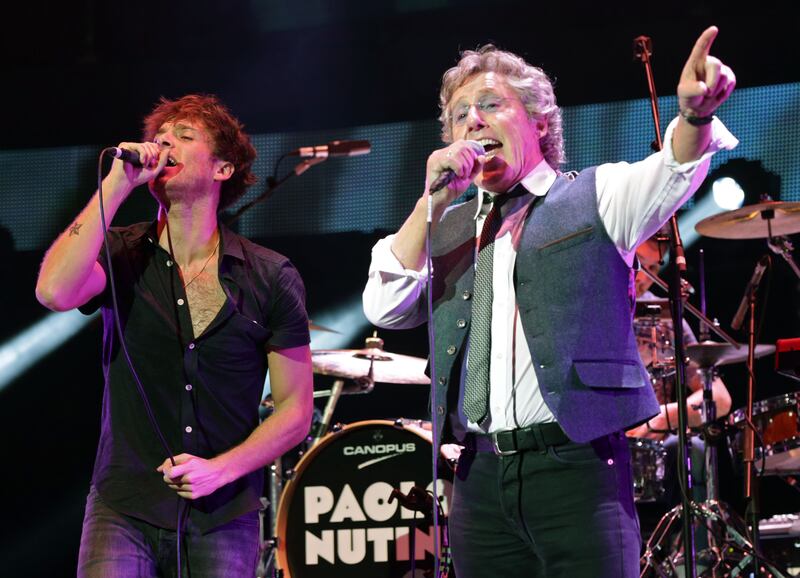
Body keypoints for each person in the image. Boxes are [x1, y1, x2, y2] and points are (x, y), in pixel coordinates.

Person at [363, 27, 737, 578]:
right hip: (477, 479)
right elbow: (385, 307)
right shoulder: (440, 226)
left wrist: (696, 118)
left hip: (577, 470)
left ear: (538, 120)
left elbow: (672, 171)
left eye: (491, 104)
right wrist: (432, 203)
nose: (474, 120)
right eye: (461, 112)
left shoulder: (595, 195)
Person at [35, 94, 314, 577]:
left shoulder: (269, 276)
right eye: (159, 137)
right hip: (124, 506)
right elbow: (55, 292)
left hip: (224, 515)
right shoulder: (123, 251)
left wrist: (220, 470)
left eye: (184, 137)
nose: (164, 143)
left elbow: (295, 410)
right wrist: (117, 183)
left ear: (222, 169)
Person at [627, 238, 732, 531]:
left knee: (689, 449)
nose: (641, 277)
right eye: (637, 264)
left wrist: (661, 417)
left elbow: (720, 399)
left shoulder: (666, 321)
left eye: (651, 268)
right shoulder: (591, 316)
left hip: (655, 456)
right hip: (601, 447)